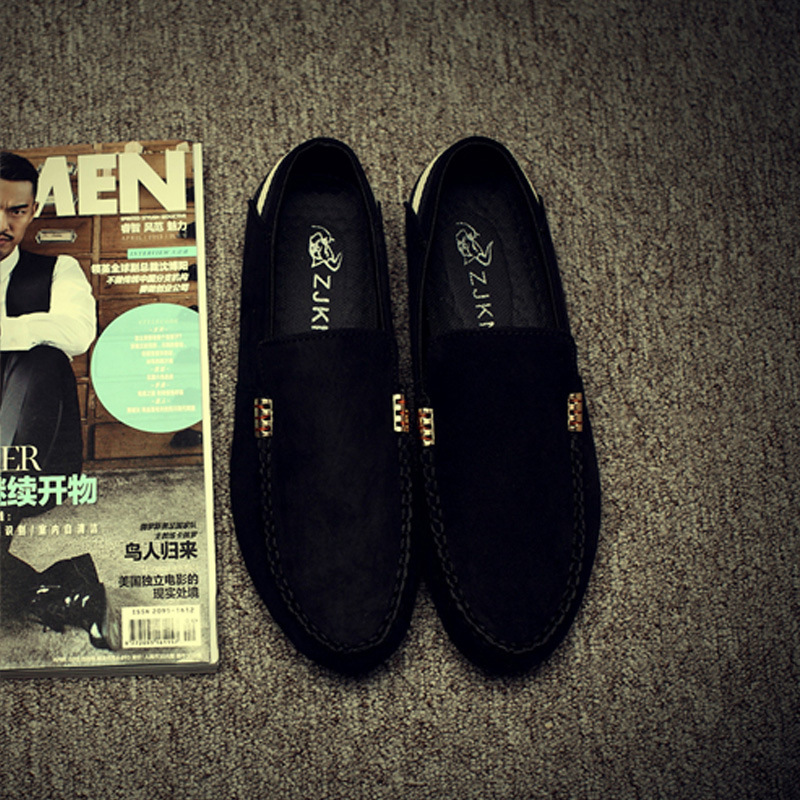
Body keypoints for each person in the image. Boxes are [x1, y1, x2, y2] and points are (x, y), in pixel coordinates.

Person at [0, 150, 108, 648]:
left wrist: (15, 334)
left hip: (33, 455)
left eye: (16, 211)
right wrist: (29, 328)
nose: (3, 224)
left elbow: (77, 332)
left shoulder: (60, 268)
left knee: (43, 358)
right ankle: (56, 585)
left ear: (32, 211)